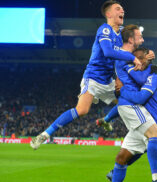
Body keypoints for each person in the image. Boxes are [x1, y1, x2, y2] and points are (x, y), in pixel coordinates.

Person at [30, 0, 143, 150]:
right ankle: (44, 134)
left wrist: (142, 54)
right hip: (94, 78)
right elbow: (109, 52)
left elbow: (128, 46)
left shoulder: (120, 33)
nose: (122, 11)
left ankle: (106, 120)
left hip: (108, 80)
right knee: (82, 110)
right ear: (109, 14)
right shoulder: (105, 30)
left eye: (122, 8)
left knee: (129, 100)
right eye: (118, 9)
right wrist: (132, 57)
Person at [103, 25, 157, 182]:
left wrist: (146, 60)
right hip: (134, 107)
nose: (143, 39)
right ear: (131, 40)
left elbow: (141, 77)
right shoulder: (128, 58)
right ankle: (155, 180)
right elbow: (139, 84)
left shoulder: (148, 70)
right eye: (140, 36)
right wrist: (144, 60)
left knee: (124, 157)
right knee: (150, 141)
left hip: (143, 113)